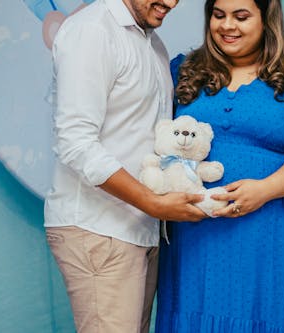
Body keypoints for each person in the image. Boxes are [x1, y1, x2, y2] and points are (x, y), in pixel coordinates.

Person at [156, 0, 284, 332]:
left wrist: (265, 190)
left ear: (266, 21)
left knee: (270, 314)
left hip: (272, 229)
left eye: (241, 17)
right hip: (198, 233)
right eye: (219, 15)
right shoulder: (181, 71)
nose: (228, 26)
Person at [43, 1, 207, 332]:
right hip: (99, 227)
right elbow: (76, 142)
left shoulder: (153, 44)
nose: (171, 3)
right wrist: (153, 202)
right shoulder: (92, 31)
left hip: (139, 229)